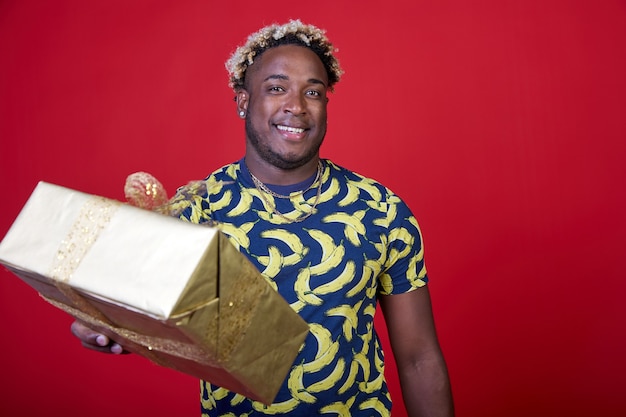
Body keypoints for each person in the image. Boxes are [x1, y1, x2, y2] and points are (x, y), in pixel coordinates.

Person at [71, 19, 454, 417]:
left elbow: (419, 358)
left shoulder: (380, 209)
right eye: (276, 88)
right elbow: (123, 307)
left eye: (313, 92)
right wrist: (97, 322)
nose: (297, 105)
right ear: (242, 101)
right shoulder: (198, 208)